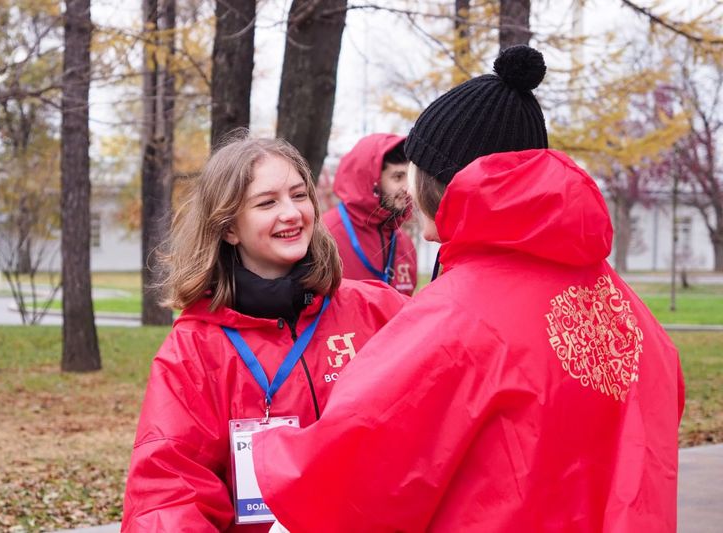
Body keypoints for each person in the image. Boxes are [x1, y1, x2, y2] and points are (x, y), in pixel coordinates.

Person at [253, 46, 684, 532]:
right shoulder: (631, 315)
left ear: (437, 183)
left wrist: (264, 456)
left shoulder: (456, 319)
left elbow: (351, 471)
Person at [121, 136, 408, 532]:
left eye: (299, 195)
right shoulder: (195, 350)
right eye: (267, 202)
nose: (291, 213)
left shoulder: (376, 311)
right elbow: (169, 494)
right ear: (229, 229)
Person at [322, 134, 417, 295]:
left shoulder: (405, 244)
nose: (408, 188)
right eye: (398, 177)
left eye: (410, 177)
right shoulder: (323, 237)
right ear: (372, 180)